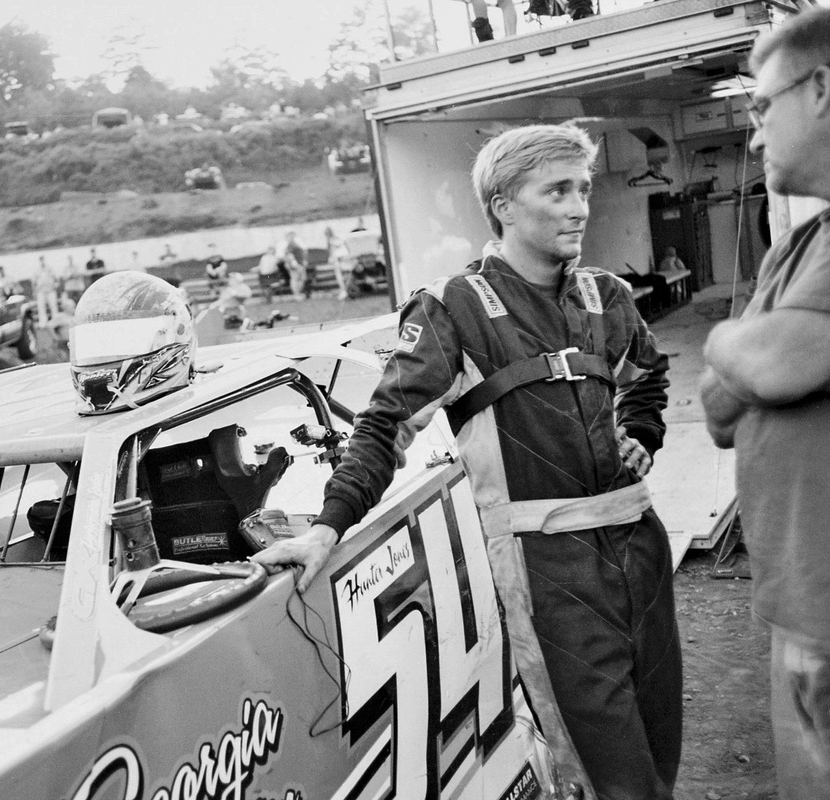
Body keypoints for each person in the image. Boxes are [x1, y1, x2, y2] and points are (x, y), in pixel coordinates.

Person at [252, 123, 679, 799]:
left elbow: (648, 374)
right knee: (615, 779)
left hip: (640, 547)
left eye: (583, 189)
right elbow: (384, 424)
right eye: (557, 191)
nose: (579, 207)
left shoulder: (607, 296)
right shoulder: (454, 308)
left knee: (660, 754)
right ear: (504, 205)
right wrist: (327, 526)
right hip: (548, 570)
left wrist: (641, 430)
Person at [700, 10, 830, 798]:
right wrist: (747, 351)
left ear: (821, 90)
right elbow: (718, 412)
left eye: (761, 107)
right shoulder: (798, 246)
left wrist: (728, 338)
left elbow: (774, 364)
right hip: (802, 611)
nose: (754, 137)